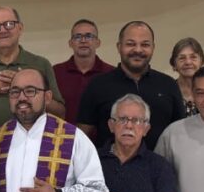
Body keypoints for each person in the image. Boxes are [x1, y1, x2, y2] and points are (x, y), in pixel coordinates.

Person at [77, 21, 185, 151]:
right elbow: (81, 136)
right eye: (130, 44)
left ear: (153, 48)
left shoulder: (169, 85)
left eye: (145, 44)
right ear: (119, 47)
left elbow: (180, 135)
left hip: (160, 168)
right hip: (108, 168)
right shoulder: (98, 85)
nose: (138, 50)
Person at [53, 19, 114, 129]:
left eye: (89, 36)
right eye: (77, 37)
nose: (83, 41)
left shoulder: (111, 74)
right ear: (70, 43)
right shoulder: (55, 72)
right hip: (63, 141)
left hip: (101, 143)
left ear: (98, 42)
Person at [169, 37, 204, 117]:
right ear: (174, 64)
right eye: (182, 58)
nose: (188, 62)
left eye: (193, 57)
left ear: (202, 62)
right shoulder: (167, 92)